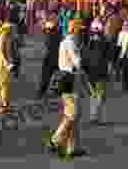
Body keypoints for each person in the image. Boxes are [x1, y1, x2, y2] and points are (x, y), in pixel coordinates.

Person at [46, 17, 89, 159]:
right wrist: (84, 56)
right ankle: (55, 140)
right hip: (70, 80)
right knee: (73, 115)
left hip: (67, 78)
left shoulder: (67, 41)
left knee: (72, 114)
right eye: (80, 30)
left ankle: (73, 147)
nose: (82, 33)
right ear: (75, 30)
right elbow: (77, 62)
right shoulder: (71, 42)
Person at [83, 17, 114, 124]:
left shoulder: (88, 42)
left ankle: (93, 115)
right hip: (101, 71)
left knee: (93, 94)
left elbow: (84, 57)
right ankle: (95, 115)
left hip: (90, 72)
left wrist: (84, 70)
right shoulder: (105, 42)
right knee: (100, 95)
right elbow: (110, 57)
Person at [36, 18, 61, 99]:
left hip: (49, 57)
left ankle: (41, 92)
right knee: (57, 75)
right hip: (56, 57)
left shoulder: (48, 35)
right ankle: (56, 90)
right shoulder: (56, 34)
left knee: (45, 76)